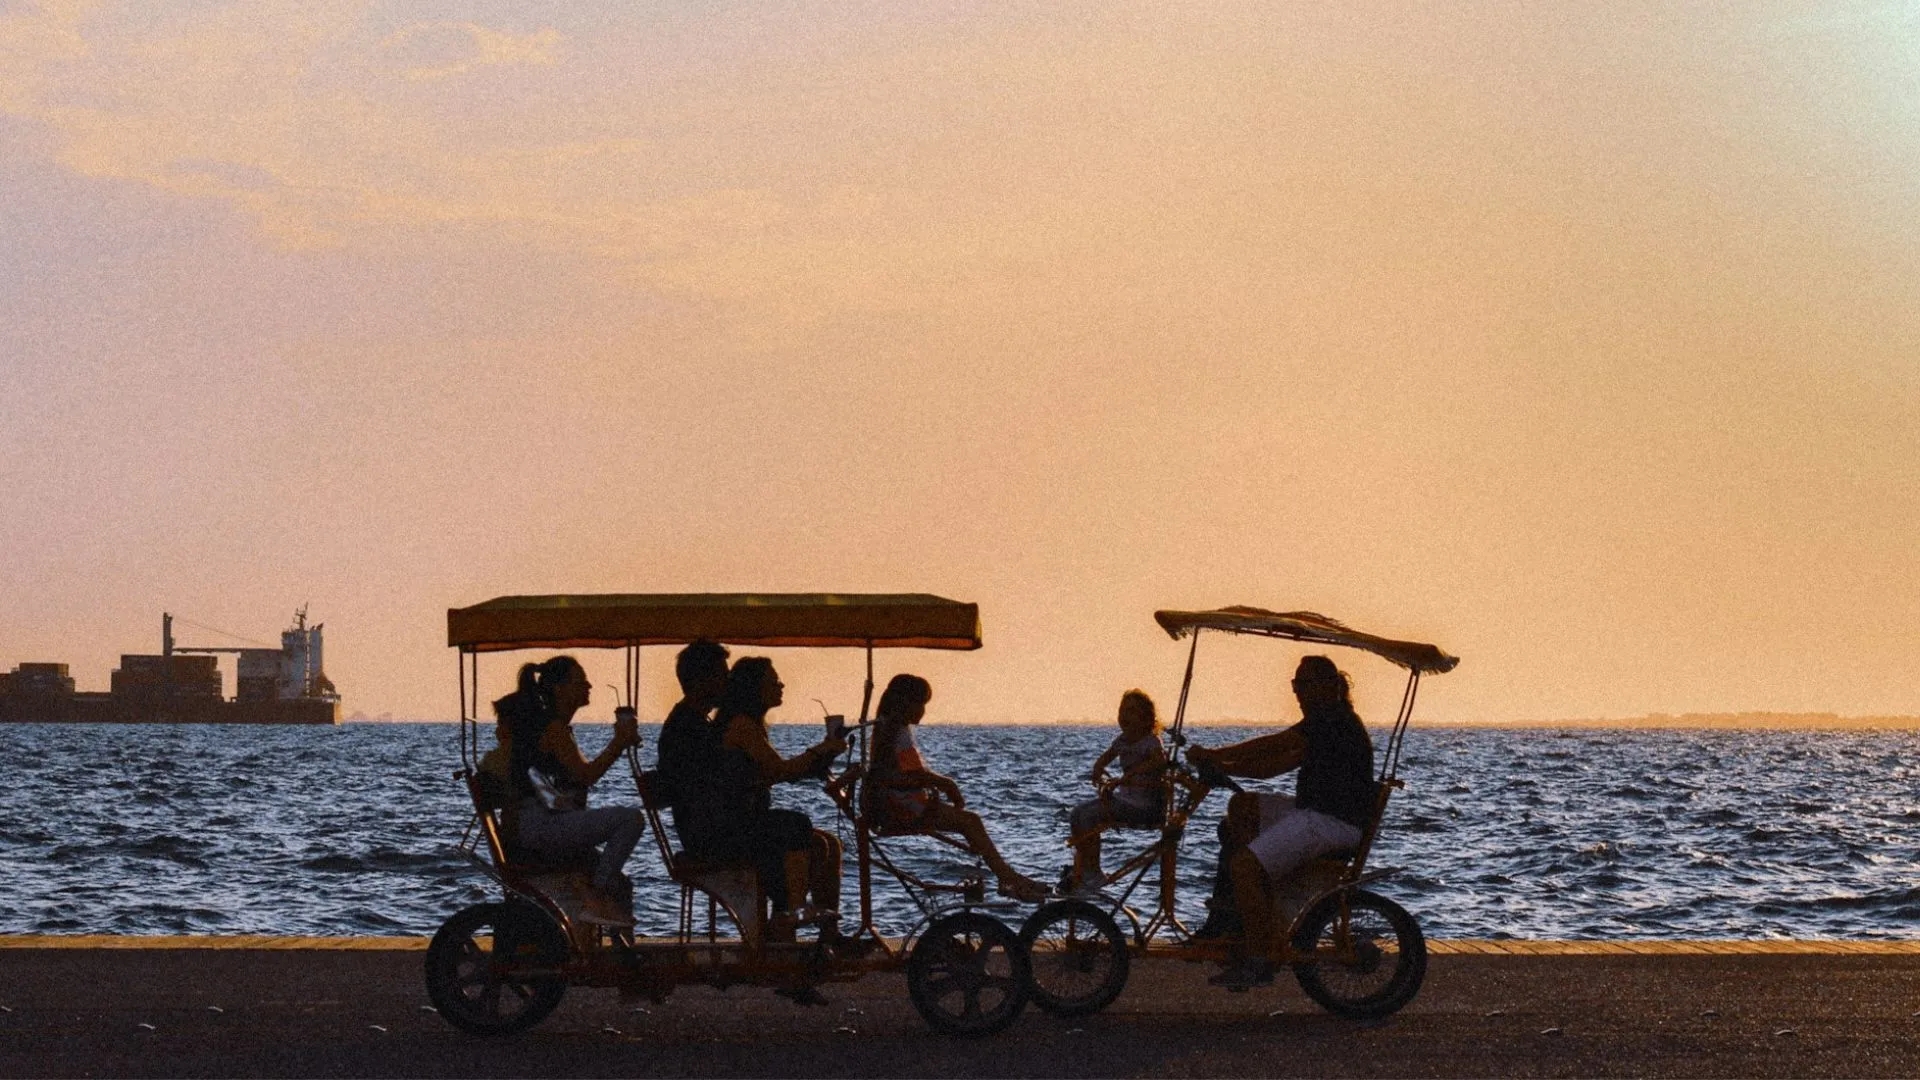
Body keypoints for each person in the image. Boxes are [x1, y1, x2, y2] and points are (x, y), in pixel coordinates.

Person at [1187, 655, 1377, 989]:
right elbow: (1273, 766)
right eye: (1295, 685)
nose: (1297, 693)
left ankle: (1259, 957)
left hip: (1331, 821)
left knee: (1243, 866)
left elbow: (1277, 744)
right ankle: (1248, 913)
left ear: (1329, 686)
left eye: (1303, 685)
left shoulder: (1332, 720)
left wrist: (1217, 755)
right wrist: (1224, 768)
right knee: (1242, 806)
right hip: (1319, 813)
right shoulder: (1327, 722)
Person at [865, 673, 1049, 902]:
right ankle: (1008, 878)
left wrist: (938, 785)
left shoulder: (890, 729)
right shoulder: (894, 732)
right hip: (900, 807)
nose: (923, 711)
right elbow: (897, 776)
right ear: (906, 703)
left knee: (970, 822)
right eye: (921, 704)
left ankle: (1007, 876)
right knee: (970, 821)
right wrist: (944, 783)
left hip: (902, 802)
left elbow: (905, 775)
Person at [494, 655, 646, 926]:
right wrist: (618, 743)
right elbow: (585, 776)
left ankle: (617, 957)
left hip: (538, 823)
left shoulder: (556, 727)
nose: (588, 686)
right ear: (558, 688)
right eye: (580, 681)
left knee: (621, 885)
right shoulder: (552, 728)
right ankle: (596, 896)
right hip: (539, 826)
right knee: (631, 819)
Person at [708, 656, 846, 938]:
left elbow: (776, 774)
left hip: (745, 822)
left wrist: (824, 757)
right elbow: (778, 770)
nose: (781, 685)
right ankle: (790, 913)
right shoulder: (741, 726)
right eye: (773, 681)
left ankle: (829, 935)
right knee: (797, 824)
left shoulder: (752, 725)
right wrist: (821, 749)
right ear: (753, 688)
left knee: (829, 844)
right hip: (731, 828)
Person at [1064, 689, 1167, 893]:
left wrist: (1130, 774)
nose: (1124, 715)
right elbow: (1104, 759)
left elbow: (1160, 761)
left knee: (1087, 817)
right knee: (1077, 815)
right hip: (1125, 801)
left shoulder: (1151, 742)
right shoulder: (1121, 741)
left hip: (1144, 806)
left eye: (1131, 711)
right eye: (1122, 710)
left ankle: (1093, 873)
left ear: (1146, 719)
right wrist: (1098, 771)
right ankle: (1085, 868)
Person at [654, 639, 730, 855]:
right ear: (700, 680)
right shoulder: (688, 727)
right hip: (708, 834)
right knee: (796, 829)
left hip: (703, 828)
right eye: (722, 675)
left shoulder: (689, 720)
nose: (728, 682)